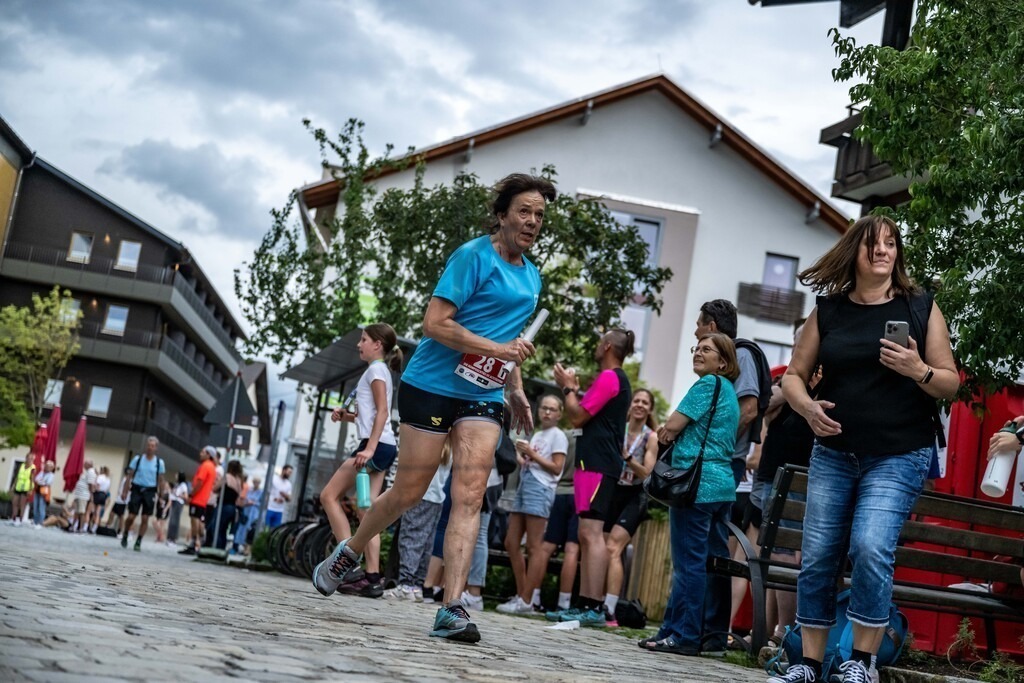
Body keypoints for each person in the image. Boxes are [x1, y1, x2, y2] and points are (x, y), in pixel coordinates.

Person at [311, 173, 554, 644]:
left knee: (469, 494)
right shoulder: (472, 257)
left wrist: (516, 385)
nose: (532, 221)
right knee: (407, 491)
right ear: (502, 214)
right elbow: (434, 324)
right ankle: (349, 551)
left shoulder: (532, 277)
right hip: (431, 384)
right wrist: (499, 353)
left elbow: (512, 339)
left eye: (540, 215)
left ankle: (452, 607)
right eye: (524, 211)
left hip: (483, 394)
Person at [771, 214, 958, 683]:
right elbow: (793, 374)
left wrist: (918, 368)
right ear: (853, 252)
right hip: (834, 451)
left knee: (871, 546)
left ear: (898, 253)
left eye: (891, 243)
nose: (882, 251)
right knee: (818, 556)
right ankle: (809, 665)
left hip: (899, 453)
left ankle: (863, 662)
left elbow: (950, 383)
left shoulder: (921, 307)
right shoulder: (829, 311)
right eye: (873, 244)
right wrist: (809, 409)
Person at [641, 332, 740, 656]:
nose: (698, 352)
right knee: (706, 563)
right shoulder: (728, 391)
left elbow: (670, 426)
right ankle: (685, 633)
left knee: (689, 565)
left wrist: (668, 430)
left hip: (695, 487)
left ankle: (683, 636)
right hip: (721, 486)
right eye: (697, 348)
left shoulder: (707, 384)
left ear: (722, 362)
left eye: (706, 349)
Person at [548, 328, 635, 627]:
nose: (597, 347)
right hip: (593, 463)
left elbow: (577, 416)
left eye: (600, 342)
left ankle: (593, 607)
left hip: (598, 464)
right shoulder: (612, 379)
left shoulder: (611, 377)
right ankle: (585, 604)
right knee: (587, 533)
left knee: (592, 534)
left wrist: (569, 388)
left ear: (608, 346)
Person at [695, 298, 768, 651]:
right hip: (718, 461)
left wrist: (714, 444)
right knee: (710, 546)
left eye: (699, 326)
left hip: (724, 462)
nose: (696, 333)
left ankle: (710, 631)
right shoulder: (727, 359)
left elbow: (749, 408)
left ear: (711, 326)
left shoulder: (744, 355)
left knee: (712, 547)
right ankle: (707, 630)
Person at [321, 323, 403, 597]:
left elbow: (382, 412)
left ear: (377, 344)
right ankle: (372, 578)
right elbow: (369, 414)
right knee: (366, 511)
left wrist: (368, 449)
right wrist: (347, 416)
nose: (359, 344)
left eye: (364, 339)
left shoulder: (376, 370)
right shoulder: (378, 371)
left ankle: (345, 559)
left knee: (329, 496)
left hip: (374, 448)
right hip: (382, 447)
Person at [497, 394, 569, 615]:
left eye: (552, 409)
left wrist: (531, 455)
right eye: (544, 408)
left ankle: (527, 600)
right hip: (525, 484)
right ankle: (523, 595)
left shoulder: (558, 436)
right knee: (511, 542)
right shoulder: (538, 434)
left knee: (534, 546)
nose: (547, 412)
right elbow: (536, 462)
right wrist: (523, 457)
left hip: (540, 488)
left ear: (559, 414)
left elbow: (557, 468)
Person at [603, 388, 659, 623]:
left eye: (644, 402)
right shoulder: (619, 428)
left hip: (635, 495)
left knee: (614, 548)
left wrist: (627, 458)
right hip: (612, 490)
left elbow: (647, 472)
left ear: (650, 409)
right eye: (636, 400)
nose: (639, 405)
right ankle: (594, 603)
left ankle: (610, 609)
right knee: (602, 549)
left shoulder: (651, 436)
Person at [385, 444, 451, 602]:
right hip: (437, 498)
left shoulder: (432, 444)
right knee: (426, 542)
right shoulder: (450, 448)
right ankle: (416, 585)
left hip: (420, 495)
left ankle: (406, 584)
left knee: (410, 538)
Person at [121, 436, 167, 551]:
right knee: (131, 516)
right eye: (148, 445)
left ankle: (139, 541)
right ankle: (126, 533)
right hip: (137, 488)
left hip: (150, 491)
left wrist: (162, 496)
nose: (150, 448)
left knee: (145, 518)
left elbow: (161, 480)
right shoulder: (138, 459)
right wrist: (125, 491)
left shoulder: (159, 462)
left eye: (152, 446)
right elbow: (129, 476)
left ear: (156, 448)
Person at [181, 446, 217, 555]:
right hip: (204, 499)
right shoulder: (212, 467)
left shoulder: (205, 466)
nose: (200, 453)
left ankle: (194, 544)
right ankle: (200, 541)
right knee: (199, 521)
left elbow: (199, 482)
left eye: (203, 452)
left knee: (194, 521)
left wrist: (191, 495)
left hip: (198, 498)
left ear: (208, 455)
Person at [214, 460, 244, 550]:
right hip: (232, 508)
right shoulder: (239, 480)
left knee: (216, 527)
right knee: (224, 529)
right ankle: (222, 548)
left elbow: (215, 488)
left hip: (223, 505)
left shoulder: (227, 477)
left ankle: (216, 547)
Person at [232, 476, 262, 555]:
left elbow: (261, 503)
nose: (256, 484)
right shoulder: (249, 490)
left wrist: (254, 503)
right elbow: (245, 498)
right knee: (242, 529)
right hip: (246, 511)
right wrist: (246, 502)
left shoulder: (261, 492)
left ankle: (247, 548)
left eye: (257, 482)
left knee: (251, 530)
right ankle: (240, 546)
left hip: (254, 512)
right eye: (254, 482)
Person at [9, 455, 36, 526]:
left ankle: (20, 520)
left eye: (31, 458)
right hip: (18, 486)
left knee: (22, 504)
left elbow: (32, 479)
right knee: (14, 502)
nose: (30, 459)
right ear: (26, 458)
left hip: (26, 488)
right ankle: (13, 518)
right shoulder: (22, 465)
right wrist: (13, 486)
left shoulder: (33, 468)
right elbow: (17, 476)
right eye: (29, 458)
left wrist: (30, 489)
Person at [71, 459, 97, 533]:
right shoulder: (88, 472)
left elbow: (90, 484)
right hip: (80, 494)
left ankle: (81, 528)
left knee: (81, 512)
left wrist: (91, 496)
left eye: (85, 464)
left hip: (83, 494)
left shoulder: (91, 472)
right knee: (77, 511)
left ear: (89, 465)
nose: (83, 465)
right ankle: (73, 526)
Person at [265, 464, 293, 529]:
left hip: (279, 510)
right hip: (270, 507)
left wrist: (285, 495)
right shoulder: (274, 479)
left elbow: (289, 498)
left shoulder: (288, 484)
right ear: (283, 470)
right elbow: (267, 492)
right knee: (266, 528)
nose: (289, 474)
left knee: (275, 529)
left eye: (291, 473)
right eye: (289, 472)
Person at [106, 468, 132, 533]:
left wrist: (125, 493)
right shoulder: (124, 478)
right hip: (118, 499)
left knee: (121, 516)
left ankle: (120, 531)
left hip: (123, 500)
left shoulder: (129, 480)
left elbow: (130, 488)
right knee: (112, 513)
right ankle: (108, 526)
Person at [87, 466, 111, 534]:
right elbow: (107, 489)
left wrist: (95, 490)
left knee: (91, 511)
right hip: (104, 495)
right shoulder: (108, 479)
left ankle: (87, 526)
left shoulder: (100, 477)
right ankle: (94, 529)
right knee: (98, 513)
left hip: (98, 494)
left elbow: (97, 485)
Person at [168, 473, 189, 546]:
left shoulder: (183, 485)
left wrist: (178, 495)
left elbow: (186, 496)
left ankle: (173, 539)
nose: (175, 476)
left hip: (178, 502)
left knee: (175, 521)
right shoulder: (178, 484)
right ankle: (170, 538)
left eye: (177, 475)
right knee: (171, 520)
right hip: (174, 502)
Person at [32, 461, 55, 527]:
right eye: (46, 465)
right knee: (35, 507)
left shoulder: (51, 475)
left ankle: (40, 523)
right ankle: (35, 522)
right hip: (37, 491)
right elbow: (36, 479)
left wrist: (40, 481)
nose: (47, 467)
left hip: (44, 493)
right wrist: (41, 481)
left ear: (52, 468)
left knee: (41, 508)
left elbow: (47, 483)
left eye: (49, 466)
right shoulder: (42, 472)